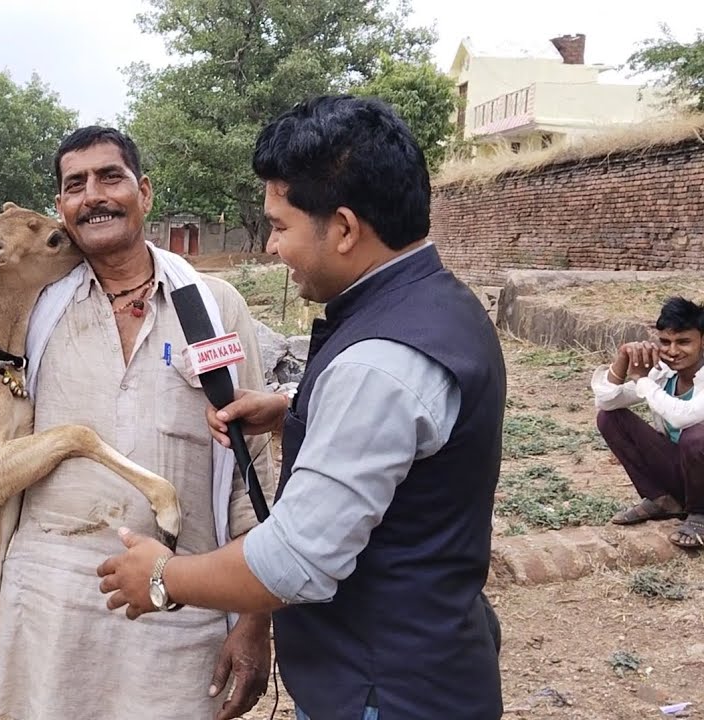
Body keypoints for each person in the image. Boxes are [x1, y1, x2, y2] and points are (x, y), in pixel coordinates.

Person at [0, 126, 277, 719]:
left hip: (177, 606)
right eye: (76, 185)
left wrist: (254, 621)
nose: (93, 195)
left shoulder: (213, 304)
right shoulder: (36, 295)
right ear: (62, 209)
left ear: (144, 192)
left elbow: (251, 476)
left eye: (110, 177)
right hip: (44, 613)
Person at [97, 94, 506, 720]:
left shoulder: (377, 364)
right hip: (423, 665)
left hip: (381, 692)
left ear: (343, 228)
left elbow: (294, 562)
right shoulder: (436, 303)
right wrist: (293, 411)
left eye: (281, 226)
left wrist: (162, 577)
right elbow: (405, 439)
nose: (270, 249)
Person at [595, 296, 704, 547]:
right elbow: (606, 402)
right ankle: (662, 499)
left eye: (684, 342)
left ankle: (700, 515)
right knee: (610, 419)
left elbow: (683, 416)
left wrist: (642, 380)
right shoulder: (664, 373)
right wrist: (622, 360)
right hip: (685, 473)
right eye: (665, 342)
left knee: (696, 436)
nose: (673, 351)